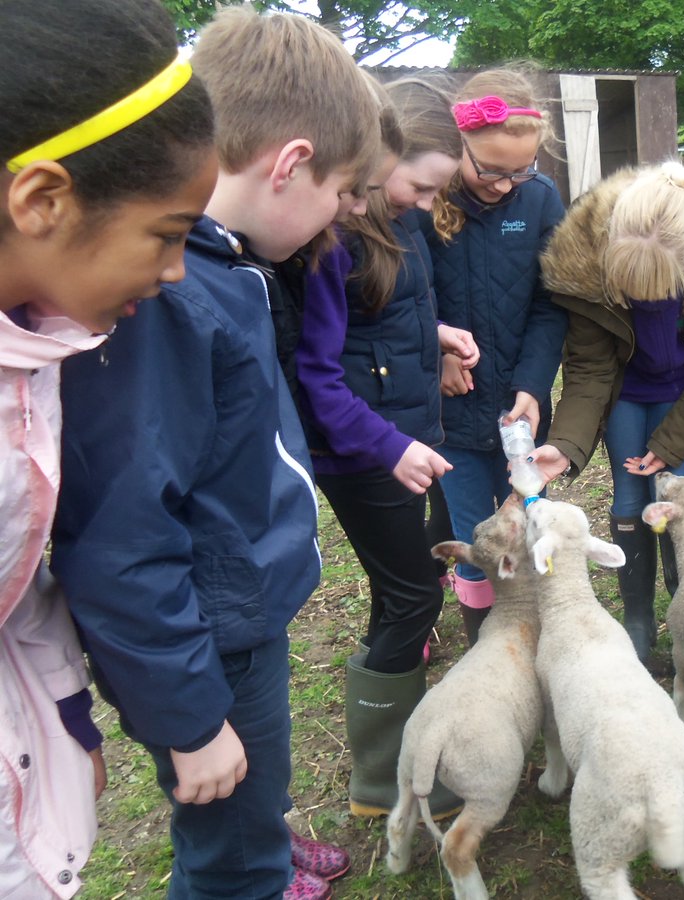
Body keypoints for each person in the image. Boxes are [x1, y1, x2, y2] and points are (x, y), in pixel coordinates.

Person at [49, 8, 380, 900]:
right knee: (232, 865)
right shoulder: (165, 297)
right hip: (211, 639)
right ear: (292, 164)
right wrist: (191, 722)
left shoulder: (222, 269)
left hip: (236, 614)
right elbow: (119, 535)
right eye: (342, 191)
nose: (340, 217)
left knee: (248, 810)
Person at [0, 3, 214, 896]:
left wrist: (63, 722)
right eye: (166, 235)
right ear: (44, 199)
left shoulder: (38, 345)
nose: (176, 272)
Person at [295, 76, 475, 818]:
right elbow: (318, 369)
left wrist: (433, 336)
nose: (428, 204)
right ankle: (385, 776)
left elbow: (376, 321)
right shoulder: (333, 236)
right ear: (383, 153)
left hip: (395, 434)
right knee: (411, 595)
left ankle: (392, 762)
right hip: (363, 450)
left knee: (399, 588)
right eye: (423, 185)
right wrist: (388, 444)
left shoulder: (393, 221)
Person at [529, 161, 684, 667]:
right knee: (628, 494)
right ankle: (639, 617)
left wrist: (669, 445)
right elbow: (590, 369)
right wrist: (567, 441)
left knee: (673, 490)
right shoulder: (586, 265)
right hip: (625, 391)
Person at [423, 67, 567, 641]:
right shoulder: (424, 202)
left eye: (521, 171)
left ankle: (536, 630)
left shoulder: (540, 199)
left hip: (518, 412)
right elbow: (404, 299)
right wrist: (432, 355)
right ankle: (486, 640)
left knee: (532, 523)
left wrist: (533, 386)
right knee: (472, 533)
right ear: (458, 144)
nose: (506, 185)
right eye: (491, 170)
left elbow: (551, 304)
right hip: (450, 416)